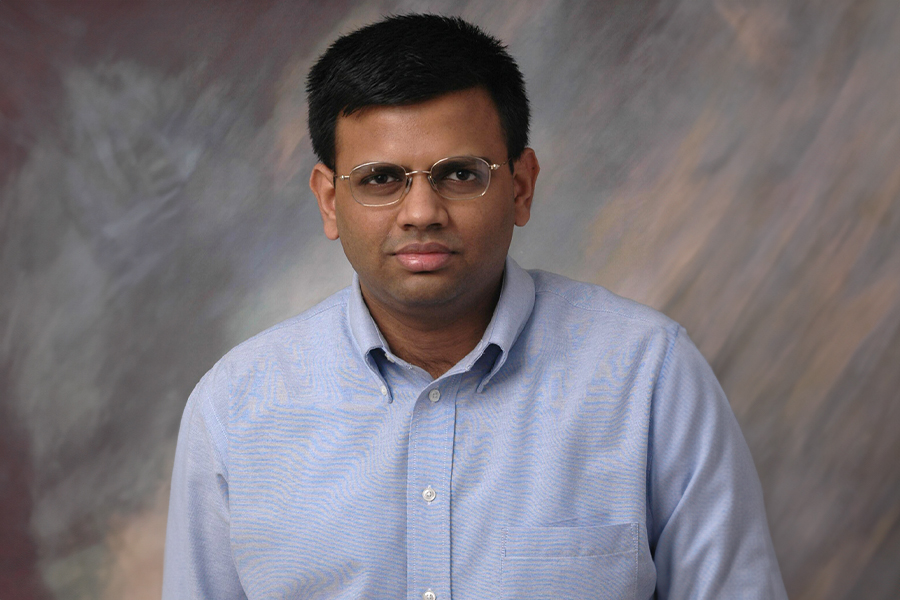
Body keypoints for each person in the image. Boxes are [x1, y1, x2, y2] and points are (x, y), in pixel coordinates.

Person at [163, 14, 788, 599]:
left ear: (520, 187)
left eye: (460, 174)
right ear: (330, 200)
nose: (421, 212)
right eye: (381, 179)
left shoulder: (648, 376)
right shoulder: (235, 408)